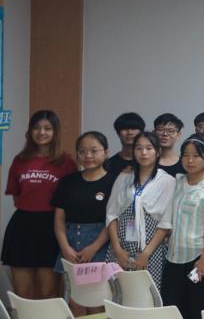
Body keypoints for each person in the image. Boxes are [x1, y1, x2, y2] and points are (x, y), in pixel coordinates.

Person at [2, 110, 77, 299]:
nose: (41, 132)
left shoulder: (66, 162)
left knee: (49, 293)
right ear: (30, 131)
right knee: (22, 293)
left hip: (52, 228)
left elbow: (71, 199)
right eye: (36, 128)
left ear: (55, 132)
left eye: (47, 128)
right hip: (22, 226)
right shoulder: (20, 160)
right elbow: (16, 196)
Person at [52, 131, 117, 315]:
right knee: (74, 302)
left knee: (97, 303)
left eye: (94, 151)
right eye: (82, 151)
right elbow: (59, 218)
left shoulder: (114, 182)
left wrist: (93, 247)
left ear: (106, 152)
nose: (88, 156)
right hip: (70, 242)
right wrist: (65, 248)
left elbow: (112, 220)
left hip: (100, 244)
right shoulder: (68, 182)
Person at [159, 135, 204, 319]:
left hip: (197, 258)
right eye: (185, 155)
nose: (190, 160)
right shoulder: (177, 181)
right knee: (171, 308)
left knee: (197, 309)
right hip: (173, 256)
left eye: (195, 156)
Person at [106, 131, 176, 287]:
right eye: (139, 148)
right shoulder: (124, 177)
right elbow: (111, 214)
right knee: (118, 293)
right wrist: (117, 249)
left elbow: (165, 223)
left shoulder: (167, 181)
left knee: (146, 295)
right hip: (121, 248)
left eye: (149, 148)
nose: (144, 153)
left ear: (158, 152)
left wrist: (146, 254)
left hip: (150, 250)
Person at [154, 113, 185, 177]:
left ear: (178, 135)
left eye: (170, 131)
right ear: (154, 133)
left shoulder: (185, 163)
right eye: (160, 130)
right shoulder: (146, 161)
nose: (165, 134)